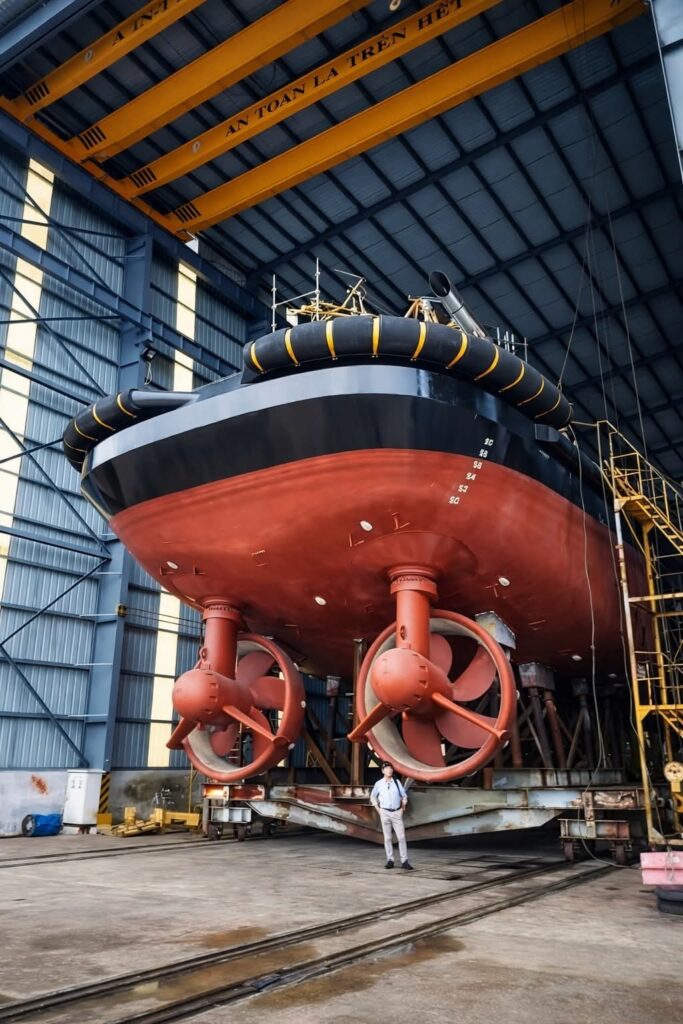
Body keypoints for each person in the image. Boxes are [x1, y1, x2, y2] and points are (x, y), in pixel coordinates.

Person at [370, 761, 413, 870]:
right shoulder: (379, 784)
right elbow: (372, 797)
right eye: (387, 768)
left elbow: (404, 795)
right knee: (388, 838)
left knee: (401, 837)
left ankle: (404, 861)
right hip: (384, 812)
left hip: (396, 812)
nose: (389, 770)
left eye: (390, 768)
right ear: (382, 771)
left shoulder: (397, 782)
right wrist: (378, 809)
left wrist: (403, 805)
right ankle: (390, 860)